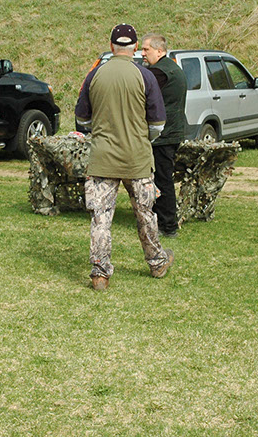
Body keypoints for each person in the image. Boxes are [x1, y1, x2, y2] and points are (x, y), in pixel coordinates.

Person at [75, 23, 175, 291]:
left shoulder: (95, 75)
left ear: (111, 46)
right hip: (137, 159)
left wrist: (100, 130)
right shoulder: (146, 76)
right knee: (145, 214)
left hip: (103, 159)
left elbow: (82, 118)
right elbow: (158, 123)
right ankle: (157, 263)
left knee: (100, 218)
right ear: (135, 48)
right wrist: (141, 139)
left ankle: (100, 274)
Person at [140, 33, 188, 238]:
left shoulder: (160, 72)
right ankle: (161, 220)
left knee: (162, 179)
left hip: (164, 134)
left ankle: (168, 226)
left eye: (146, 49)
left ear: (160, 51)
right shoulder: (170, 68)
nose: (142, 53)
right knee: (161, 177)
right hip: (170, 132)